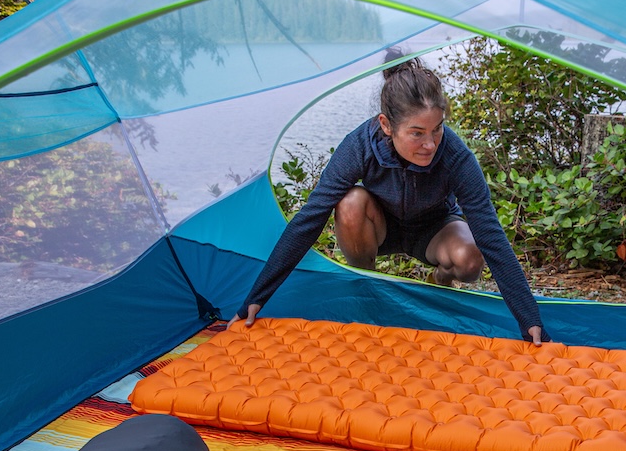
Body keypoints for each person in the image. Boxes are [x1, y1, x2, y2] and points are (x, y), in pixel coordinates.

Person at [232, 53, 547, 344]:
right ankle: (370, 285)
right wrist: (257, 297)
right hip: (380, 225)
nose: (430, 144)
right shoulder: (359, 146)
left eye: (437, 130)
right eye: (416, 133)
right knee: (349, 201)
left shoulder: (455, 156)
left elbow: (489, 232)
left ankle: (439, 278)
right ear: (386, 125)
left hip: (434, 228)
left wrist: (529, 318)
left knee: (470, 258)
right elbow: (310, 217)